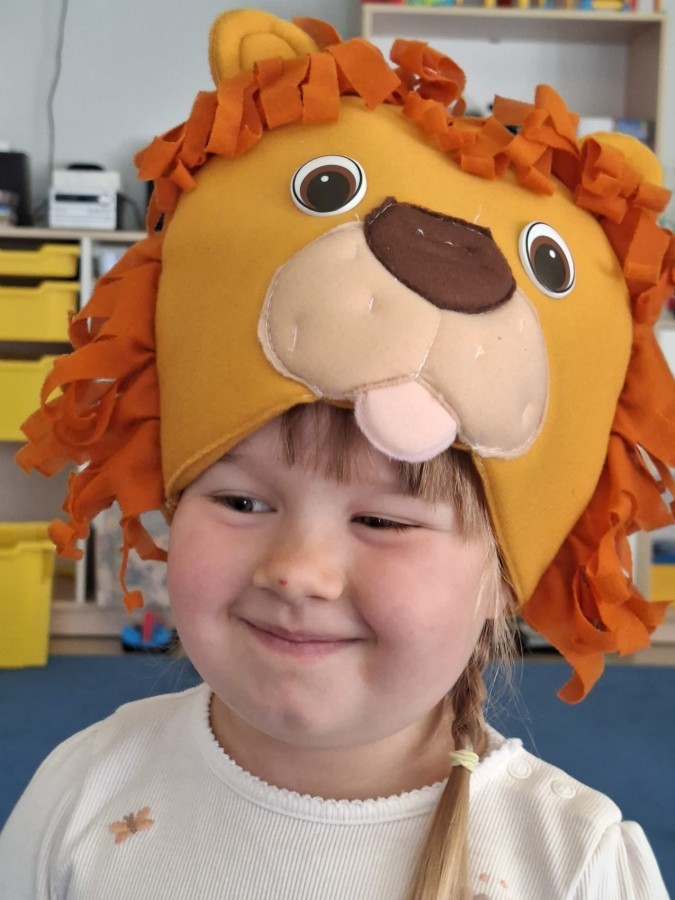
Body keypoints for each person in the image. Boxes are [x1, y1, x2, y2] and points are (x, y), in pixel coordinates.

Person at [1, 8, 673, 899]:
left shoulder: (572, 863)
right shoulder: (82, 792)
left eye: (384, 519)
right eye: (241, 502)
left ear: (502, 584)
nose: (298, 571)